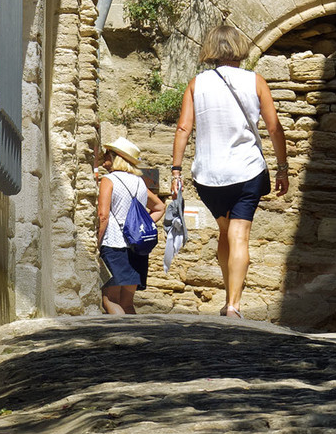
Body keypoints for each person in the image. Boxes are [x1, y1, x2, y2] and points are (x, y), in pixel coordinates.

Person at [170, 24, 289, 319]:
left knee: (225, 231)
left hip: (209, 175)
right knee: (240, 235)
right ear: (239, 48)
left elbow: (184, 127)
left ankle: (228, 297)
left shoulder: (197, 84)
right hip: (246, 170)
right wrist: (283, 168)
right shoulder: (255, 81)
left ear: (210, 49)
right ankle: (234, 304)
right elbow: (274, 128)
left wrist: (175, 171)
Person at [97, 137, 163, 316]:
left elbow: (103, 216)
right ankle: (135, 341)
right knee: (127, 303)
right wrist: (140, 226)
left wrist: (96, 243)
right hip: (136, 247)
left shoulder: (108, 180)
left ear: (115, 156)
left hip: (114, 245)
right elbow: (159, 207)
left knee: (109, 300)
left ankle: (121, 340)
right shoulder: (140, 183)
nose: (104, 159)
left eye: (106, 154)